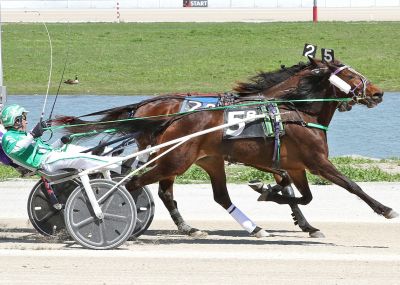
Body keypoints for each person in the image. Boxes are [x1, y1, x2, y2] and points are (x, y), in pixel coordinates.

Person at [1, 104, 122, 174]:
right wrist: (33, 134)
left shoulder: (22, 136)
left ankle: (110, 153)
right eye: (23, 118)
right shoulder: (9, 137)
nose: (26, 121)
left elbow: (46, 150)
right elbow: (15, 150)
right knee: (80, 158)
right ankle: (118, 164)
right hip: (45, 163)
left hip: (51, 156)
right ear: (16, 121)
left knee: (71, 147)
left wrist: (60, 142)